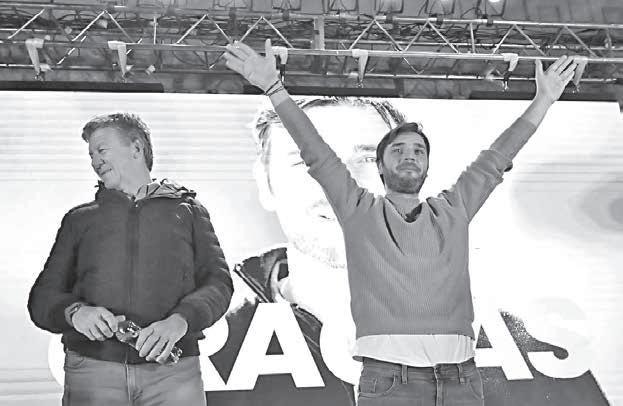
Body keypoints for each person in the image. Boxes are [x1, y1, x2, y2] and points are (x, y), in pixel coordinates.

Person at [224, 39, 578, 406]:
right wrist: (273, 86)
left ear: (426, 166)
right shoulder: (359, 212)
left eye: (418, 150)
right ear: (381, 167)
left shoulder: (453, 210)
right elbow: (316, 152)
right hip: (391, 382)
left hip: (459, 379)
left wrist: (544, 99)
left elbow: (498, 156)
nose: (409, 155)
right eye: (398, 149)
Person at [208, 97, 406, 406]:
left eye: (368, 159)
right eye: (307, 161)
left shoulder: (480, 327)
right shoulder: (208, 344)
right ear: (265, 183)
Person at [28, 113, 233, 406]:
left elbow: (219, 283)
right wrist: (75, 313)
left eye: (101, 149)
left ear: (136, 148)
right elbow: (42, 297)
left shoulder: (190, 211)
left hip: (174, 374)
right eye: (91, 155)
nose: (95, 161)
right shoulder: (78, 219)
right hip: (92, 374)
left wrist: (181, 321)